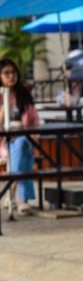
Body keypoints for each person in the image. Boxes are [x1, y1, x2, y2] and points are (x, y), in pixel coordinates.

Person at [0, 58, 40, 215]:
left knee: (23, 145)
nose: (11, 76)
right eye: (6, 73)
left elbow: (34, 120)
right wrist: (3, 110)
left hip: (24, 138)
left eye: (13, 72)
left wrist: (33, 135)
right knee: (23, 151)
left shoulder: (23, 94)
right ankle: (21, 200)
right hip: (4, 142)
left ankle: (12, 194)